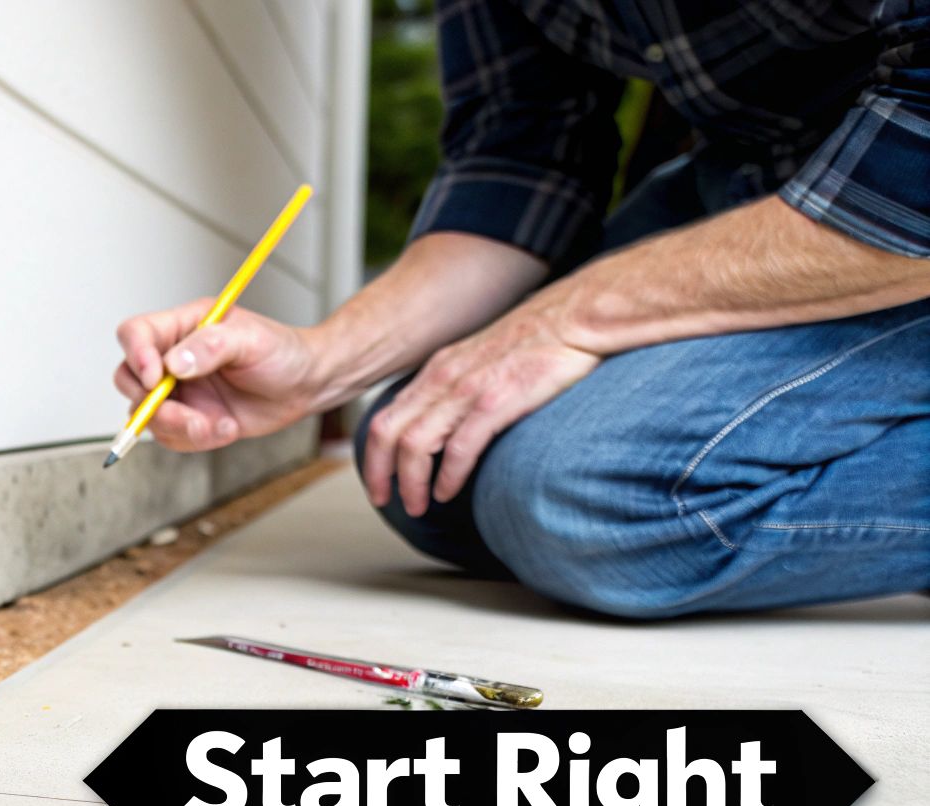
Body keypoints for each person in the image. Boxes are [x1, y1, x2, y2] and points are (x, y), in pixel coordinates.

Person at [114, 0, 930, 619]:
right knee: (423, 471)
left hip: (895, 195)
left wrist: (570, 317)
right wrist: (322, 364)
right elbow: (519, 162)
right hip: (763, 185)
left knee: (587, 502)